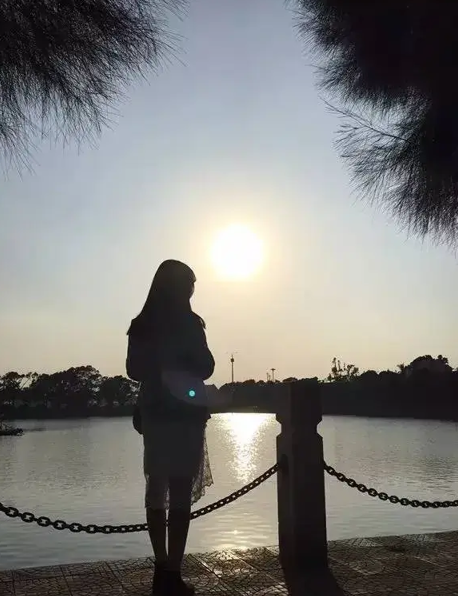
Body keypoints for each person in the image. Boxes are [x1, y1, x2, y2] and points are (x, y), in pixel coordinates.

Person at [127, 259, 215, 595]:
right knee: (173, 491)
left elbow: (135, 369)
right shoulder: (186, 324)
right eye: (189, 283)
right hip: (178, 413)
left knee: (162, 488)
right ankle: (170, 567)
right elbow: (205, 366)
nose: (192, 289)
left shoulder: (144, 324)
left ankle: (165, 565)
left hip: (161, 411)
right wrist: (179, 358)